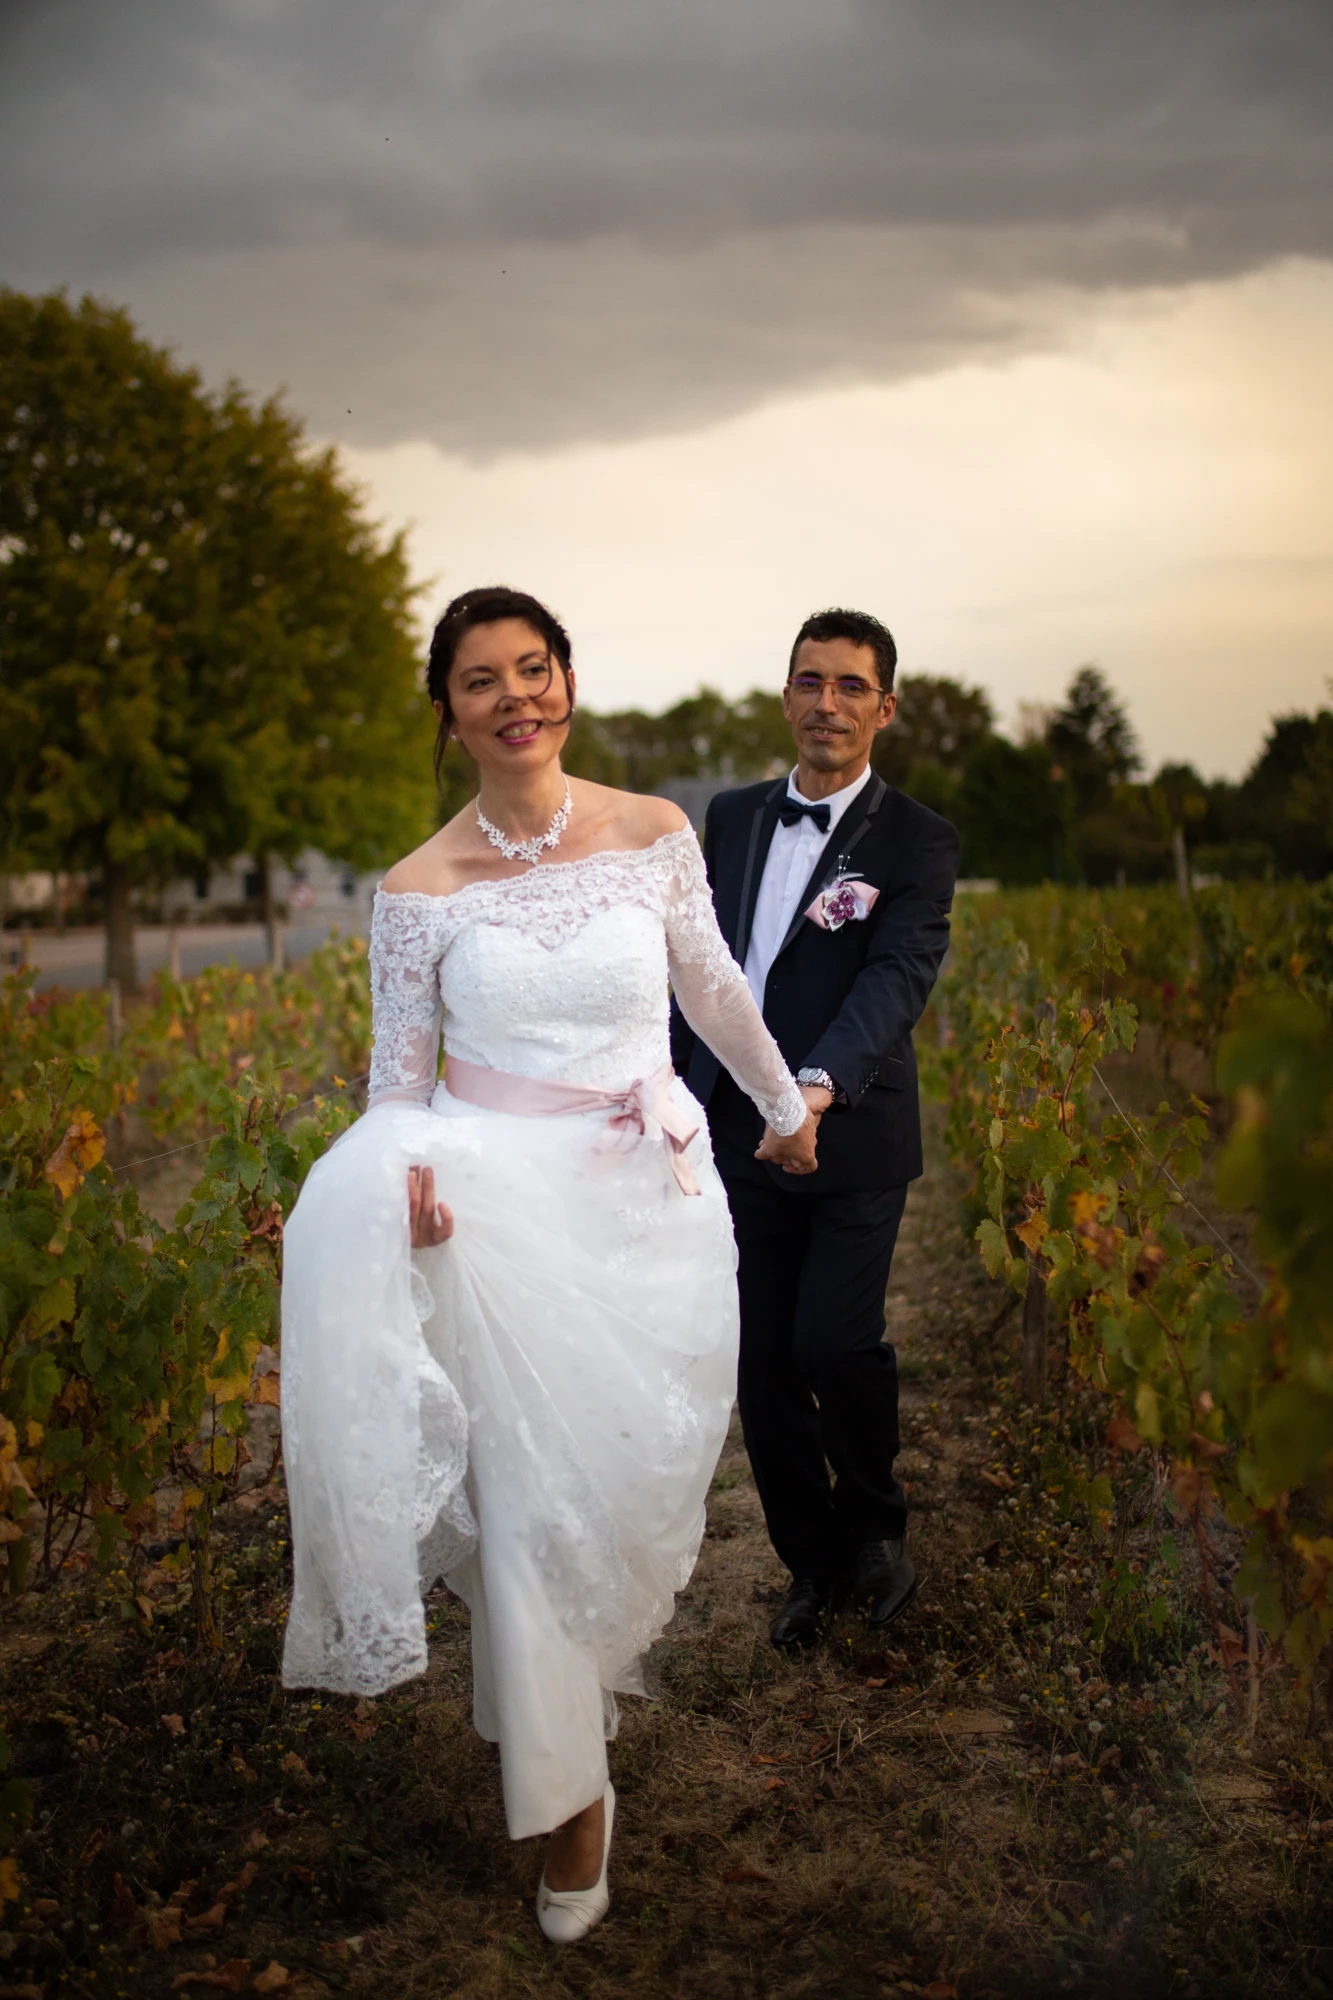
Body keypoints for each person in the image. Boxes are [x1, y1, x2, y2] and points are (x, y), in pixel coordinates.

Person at [278, 586, 818, 1945]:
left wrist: (781, 1104)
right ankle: (570, 1795)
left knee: (614, 1492)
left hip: (650, 1210)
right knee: (522, 1510)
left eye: (535, 667)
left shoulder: (651, 834)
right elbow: (397, 1083)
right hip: (498, 1225)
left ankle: (576, 1702)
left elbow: (710, 989)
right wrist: (407, 1189)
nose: (516, 695)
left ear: (566, 682)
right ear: (449, 712)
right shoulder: (416, 891)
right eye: (481, 679)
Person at [670, 608, 960, 1651]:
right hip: (731, 1130)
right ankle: (812, 1562)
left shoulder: (917, 840)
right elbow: (699, 967)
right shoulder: (733, 815)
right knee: (758, 1362)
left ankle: (877, 1527)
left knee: (832, 1342)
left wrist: (814, 1092)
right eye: (808, 681)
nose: (825, 702)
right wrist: (667, 1090)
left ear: (883, 706)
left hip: (848, 1131)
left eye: (848, 685)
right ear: (785, 696)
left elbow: (894, 978)